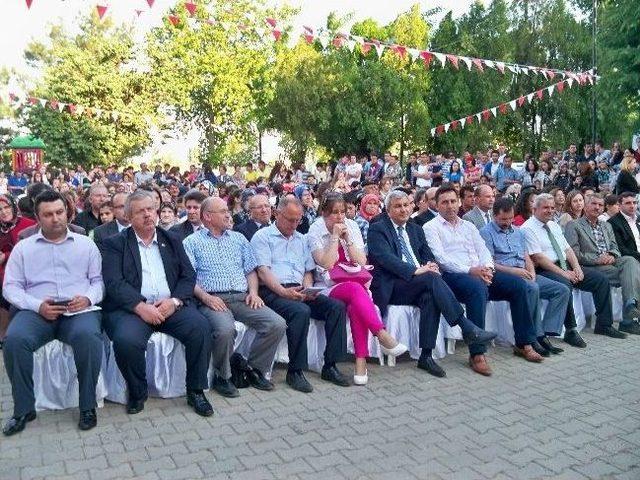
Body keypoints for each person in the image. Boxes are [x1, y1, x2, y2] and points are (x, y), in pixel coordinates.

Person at [101, 190, 214, 417]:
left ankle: (196, 390)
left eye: (151, 209)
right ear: (129, 216)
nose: (147, 215)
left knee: (201, 327)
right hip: (133, 310)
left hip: (169, 306)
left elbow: (187, 276)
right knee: (125, 341)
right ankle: (137, 392)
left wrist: (174, 301)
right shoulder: (115, 244)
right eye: (140, 211)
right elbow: (114, 283)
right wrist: (141, 307)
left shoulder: (171, 239)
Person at [2, 190, 104, 435]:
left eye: (59, 212)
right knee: (14, 341)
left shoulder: (85, 244)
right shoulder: (24, 248)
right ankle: (24, 409)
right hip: (37, 310)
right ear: (37, 218)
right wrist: (37, 306)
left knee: (89, 338)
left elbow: (98, 281)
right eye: (48, 215)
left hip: (78, 309)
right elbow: (10, 287)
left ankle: (87, 406)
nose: (55, 218)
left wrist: (88, 298)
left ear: (67, 213)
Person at [368, 190, 496, 378]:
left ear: (412, 206)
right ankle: (466, 327)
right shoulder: (378, 228)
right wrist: (415, 270)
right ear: (388, 210)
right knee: (431, 279)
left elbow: (428, 255)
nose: (403, 209)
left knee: (431, 295)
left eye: (406, 205)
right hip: (393, 285)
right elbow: (384, 258)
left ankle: (425, 356)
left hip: (419, 282)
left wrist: (431, 266)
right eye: (397, 206)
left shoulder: (415, 229)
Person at [424, 185, 541, 374]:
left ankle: (523, 342)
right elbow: (441, 259)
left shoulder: (468, 226)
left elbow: (484, 251)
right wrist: (472, 270)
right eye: (445, 202)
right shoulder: (430, 227)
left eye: (453, 201)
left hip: (480, 273)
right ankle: (477, 354)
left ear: (459, 202)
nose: (450, 206)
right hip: (453, 276)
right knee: (476, 288)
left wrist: (487, 269)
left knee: (519, 285)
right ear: (437, 206)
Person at [183, 197, 286, 396]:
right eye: (222, 211)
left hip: (242, 297)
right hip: (213, 299)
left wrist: (254, 293)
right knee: (225, 330)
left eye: (227, 210)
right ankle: (223, 376)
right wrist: (206, 298)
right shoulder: (192, 242)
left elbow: (250, 270)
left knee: (277, 324)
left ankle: (255, 370)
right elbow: (189, 278)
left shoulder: (238, 238)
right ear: (208, 217)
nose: (228, 214)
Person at [251, 196, 349, 392]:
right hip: (272, 290)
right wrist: (283, 292)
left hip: (298, 289)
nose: (294, 224)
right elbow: (263, 271)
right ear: (277, 214)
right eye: (290, 219)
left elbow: (307, 270)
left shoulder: (301, 239)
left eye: (298, 220)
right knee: (300, 311)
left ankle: (330, 365)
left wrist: (308, 289)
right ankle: (295, 371)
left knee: (336, 307)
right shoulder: (263, 237)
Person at [307, 193, 407, 385]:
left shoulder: (352, 226)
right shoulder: (315, 230)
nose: (339, 217)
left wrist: (348, 239)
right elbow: (326, 264)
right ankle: (381, 334)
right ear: (324, 214)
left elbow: (361, 261)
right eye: (334, 213)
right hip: (327, 286)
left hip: (354, 281)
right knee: (355, 290)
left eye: (342, 212)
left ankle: (360, 363)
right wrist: (335, 237)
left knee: (356, 303)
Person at [522, 193, 622, 347]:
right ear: (535, 209)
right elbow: (538, 258)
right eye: (545, 208)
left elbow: (568, 249)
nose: (550, 211)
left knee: (600, 280)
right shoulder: (527, 228)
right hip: (545, 269)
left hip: (566, 265)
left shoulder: (553, 225)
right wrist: (565, 273)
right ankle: (571, 330)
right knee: (565, 284)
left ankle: (604, 325)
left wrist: (577, 268)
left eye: (552, 208)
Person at [480, 197, 571, 356]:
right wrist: (515, 272)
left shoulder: (518, 231)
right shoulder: (486, 232)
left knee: (562, 290)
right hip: (505, 274)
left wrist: (532, 273)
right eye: (503, 219)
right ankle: (536, 336)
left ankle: (546, 332)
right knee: (532, 288)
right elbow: (490, 263)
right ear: (494, 216)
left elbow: (525, 255)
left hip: (525, 273)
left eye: (510, 218)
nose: (508, 222)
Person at [565, 194, 640, 335]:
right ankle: (628, 322)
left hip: (610, 263)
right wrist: (596, 259)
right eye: (593, 204)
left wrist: (612, 255)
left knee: (630, 260)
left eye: (600, 205)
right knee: (633, 274)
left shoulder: (607, 225)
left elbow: (615, 246)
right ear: (585, 206)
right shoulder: (573, 225)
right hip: (590, 267)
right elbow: (574, 254)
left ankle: (630, 305)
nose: (597, 207)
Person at [0, 194, 37, 347]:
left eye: (6, 207)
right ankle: (3, 334)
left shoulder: (29, 225)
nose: (3, 212)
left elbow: (32, 250)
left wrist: (6, 255)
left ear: (14, 207)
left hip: (25, 268)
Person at [608, 192, 640, 264]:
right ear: (619, 206)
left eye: (634, 203)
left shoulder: (639, 219)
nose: (632, 206)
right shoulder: (613, 222)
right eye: (628, 203)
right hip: (631, 260)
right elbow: (621, 248)